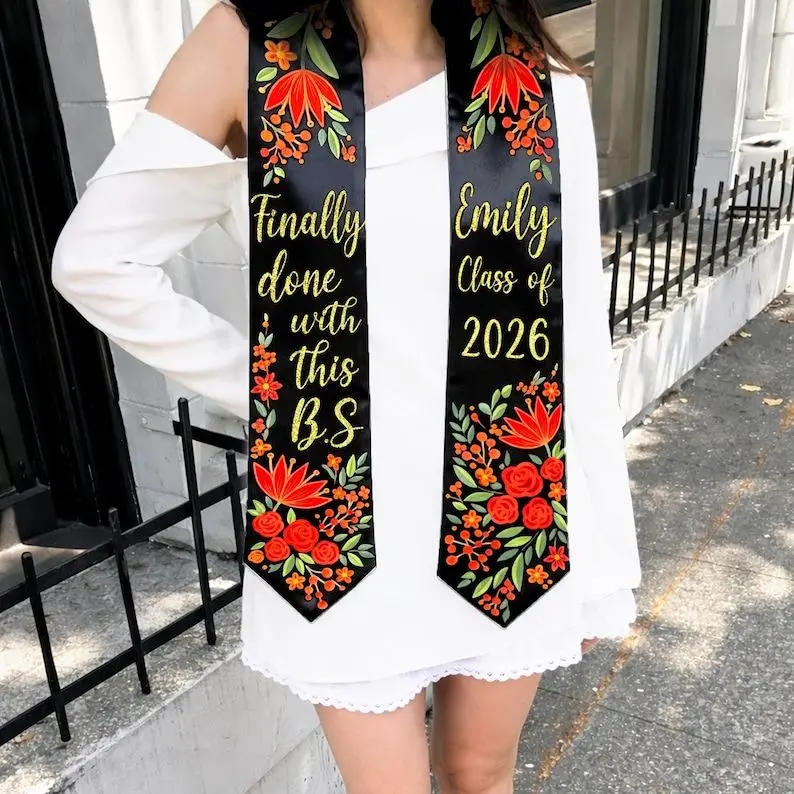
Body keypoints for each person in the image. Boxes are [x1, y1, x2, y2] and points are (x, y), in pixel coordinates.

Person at [51, 1, 642, 792]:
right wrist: (273, 387)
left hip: (509, 500)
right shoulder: (250, 47)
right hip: (346, 511)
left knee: (481, 772)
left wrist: (601, 554)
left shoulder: (529, 67)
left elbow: (572, 341)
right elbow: (97, 261)